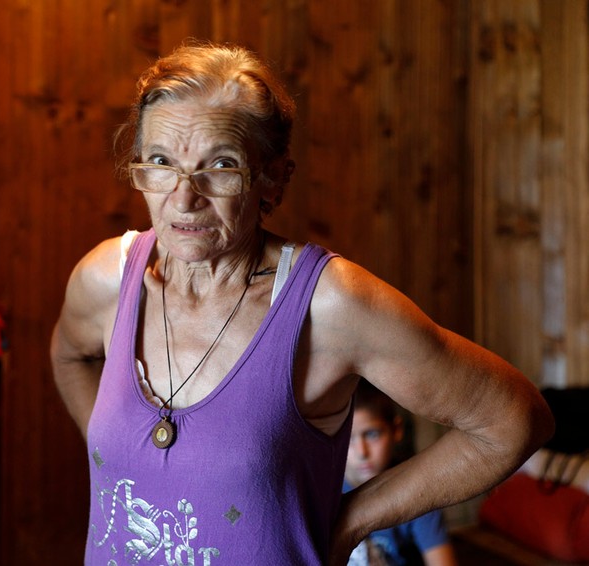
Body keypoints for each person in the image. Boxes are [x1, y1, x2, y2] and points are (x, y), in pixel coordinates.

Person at [50, 40, 554, 566]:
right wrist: (122, 458)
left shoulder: (327, 305)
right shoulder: (108, 279)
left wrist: (351, 521)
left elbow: (513, 420)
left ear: (273, 178)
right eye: (160, 162)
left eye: (220, 165)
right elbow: (69, 356)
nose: (184, 198)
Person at [344, 380, 457, 566]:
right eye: (347, 439)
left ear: (396, 430)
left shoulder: (418, 492)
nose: (362, 452)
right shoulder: (323, 495)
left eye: (372, 434)